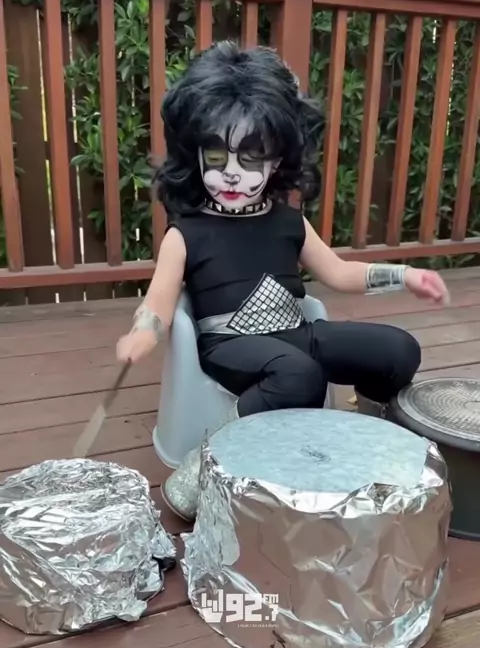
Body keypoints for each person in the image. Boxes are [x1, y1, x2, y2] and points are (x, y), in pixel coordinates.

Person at [117, 41, 449, 522]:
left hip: (297, 333)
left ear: (276, 161)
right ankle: (201, 470)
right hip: (230, 346)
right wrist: (142, 334)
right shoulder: (186, 232)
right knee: (298, 374)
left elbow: (339, 273)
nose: (232, 174)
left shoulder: (288, 220)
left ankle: (370, 432)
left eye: (251, 158)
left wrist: (404, 276)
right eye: (218, 156)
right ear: (197, 154)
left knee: (398, 350)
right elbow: (160, 304)